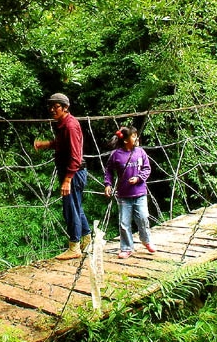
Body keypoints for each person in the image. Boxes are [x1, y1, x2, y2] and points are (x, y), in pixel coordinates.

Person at [33, 93, 91, 260]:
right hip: (72, 172)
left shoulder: (70, 126)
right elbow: (62, 144)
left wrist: (67, 179)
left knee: (70, 209)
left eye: (56, 106)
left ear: (65, 107)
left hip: (73, 173)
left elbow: (75, 155)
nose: (52, 110)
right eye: (50, 106)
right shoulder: (63, 124)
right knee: (76, 207)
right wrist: (47, 144)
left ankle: (74, 246)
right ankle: (86, 240)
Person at [104, 126, 156, 259]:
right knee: (124, 222)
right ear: (126, 140)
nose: (136, 138)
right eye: (133, 136)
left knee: (143, 218)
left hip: (140, 193)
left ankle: (146, 240)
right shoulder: (116, 155)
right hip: (123, 195)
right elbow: (109, 170)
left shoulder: (140, 152)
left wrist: (139, 178)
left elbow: (147, 168)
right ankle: (127, 248)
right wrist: (108, 184)